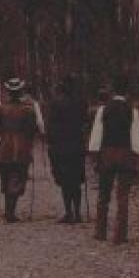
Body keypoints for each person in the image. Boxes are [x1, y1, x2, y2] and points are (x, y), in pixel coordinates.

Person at [88, 75, 139, 244]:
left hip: (107, 154)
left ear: (112, 90)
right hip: (125, 155)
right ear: (127, 92)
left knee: (103, 194)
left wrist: (94, 155)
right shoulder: (132, 111)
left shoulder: (103, 110)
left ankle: (100, 231)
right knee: (123, 196)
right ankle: (120, 235)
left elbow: (96, 136)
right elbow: (136, 139)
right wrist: (138, 156)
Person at [0, 78, 39, 223]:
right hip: (21, 146)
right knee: (18, 175)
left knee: (6, 176)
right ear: (21, 92)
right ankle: (10, 211)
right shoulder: (28, 110)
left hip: (5, 145)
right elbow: (32, 130)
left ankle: (9, 209)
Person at [47, 75, 89, 223]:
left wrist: (50, 142)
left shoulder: (55, 103)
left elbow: (50, 126)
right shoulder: (81, 103)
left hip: (61, 147)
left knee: (65, 181)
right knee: (76, 180)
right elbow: (85, 122)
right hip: (77, 146)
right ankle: (77, 212)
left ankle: (69, 212)